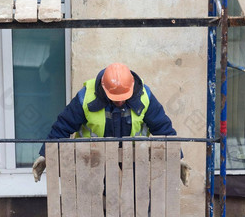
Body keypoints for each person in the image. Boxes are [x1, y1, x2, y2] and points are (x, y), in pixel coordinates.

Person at [32, 62, 190, 184]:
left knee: (138, 200)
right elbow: (62, 126)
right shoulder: (86, 98)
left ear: (132, 86)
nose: (120, 101)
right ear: (103, 87)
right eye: (115, 97)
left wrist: (178, 158)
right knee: (96, 202)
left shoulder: (145, 97)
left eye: (124, 96)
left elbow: (163, 128)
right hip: (93, 159)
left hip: (134, 157)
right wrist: (46, 154)